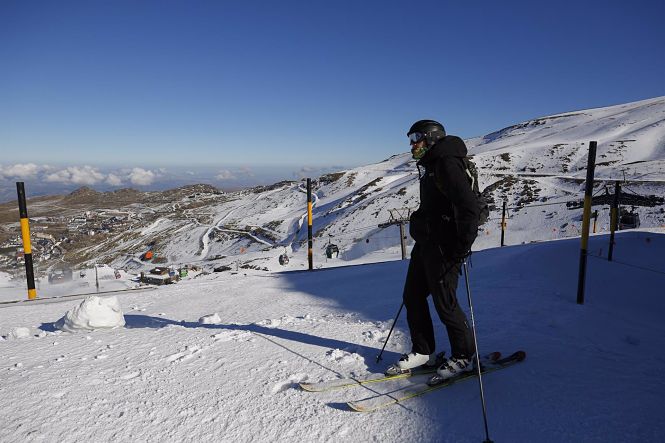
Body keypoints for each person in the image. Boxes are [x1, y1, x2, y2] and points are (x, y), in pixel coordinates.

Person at [386, 119, 481, 380]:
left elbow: (469, 209)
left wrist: (461, 247)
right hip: (427, 244)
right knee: (412, 296)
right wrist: (419, 221)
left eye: (416, 137)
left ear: (431, 137)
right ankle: (423, 352)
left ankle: (464, 356)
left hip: (445, 247)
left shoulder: (446, 163)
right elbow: (433, 206)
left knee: (445, 304)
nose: (412, 143)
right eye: (410, 138)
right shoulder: (430, 166)